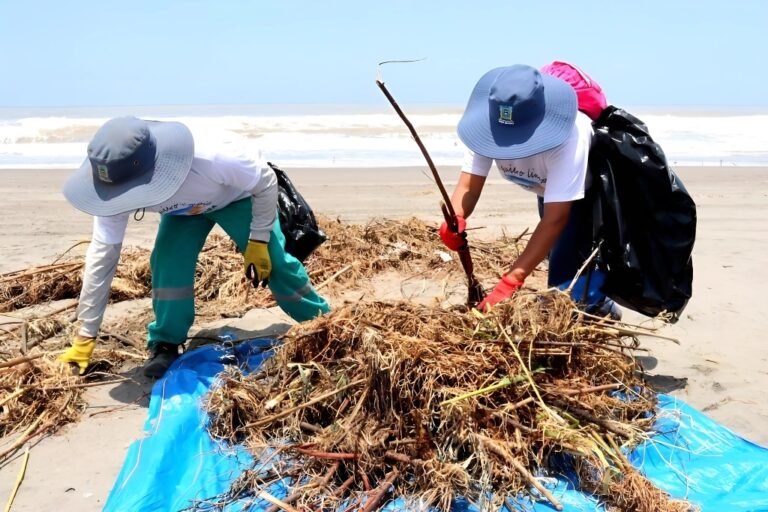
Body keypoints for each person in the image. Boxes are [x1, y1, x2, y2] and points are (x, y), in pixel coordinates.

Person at [58, 116, 330, 378]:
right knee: (167, 266)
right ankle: (165, 342)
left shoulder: (214, 157)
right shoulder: (114, 183)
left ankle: (323, 322)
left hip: (237, 198)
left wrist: (258, 240)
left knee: (276, 263)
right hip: (183, 213)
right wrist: (86, 333)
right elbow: (103, 258)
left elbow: (266, 182)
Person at [440, 64, 619, 317]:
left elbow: (555, 217)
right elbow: (468, 186)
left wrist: (510, 281)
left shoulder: (570, 133)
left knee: (565, 286)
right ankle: (590, 299)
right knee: (555, 254)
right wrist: (455, 217)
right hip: (546, 189)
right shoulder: (483, 124)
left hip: (585, 196)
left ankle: (602, 308)